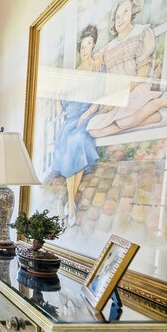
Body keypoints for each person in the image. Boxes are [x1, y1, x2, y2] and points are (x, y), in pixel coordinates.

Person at [86, 0, 167, 138]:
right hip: (118, 99)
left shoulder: (141, 33)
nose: (120, 19)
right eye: (117, 16)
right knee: (93, 130)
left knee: (124, 120)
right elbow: (96, 58)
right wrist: (96, 57)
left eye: (125, 12)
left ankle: (159, 103)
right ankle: (156, 116)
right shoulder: (110, 47)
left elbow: (141, 77)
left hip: (136, 91)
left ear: (132, 13)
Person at [51, 24, 101, 226]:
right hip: (70, 118)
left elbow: (98, 100)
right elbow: (60, 111)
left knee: (77, 140)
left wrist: (86, 114)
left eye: (89, 44)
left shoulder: (97, 68)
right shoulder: (72, 75)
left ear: (94, 45)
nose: (85, 49)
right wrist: (56, 96)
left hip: (85, 115)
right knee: (68, 141)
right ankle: (71, 203)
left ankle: (69, 203)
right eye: (82, 45)